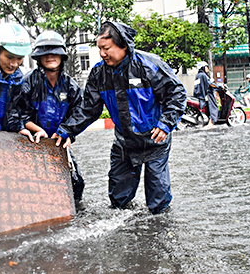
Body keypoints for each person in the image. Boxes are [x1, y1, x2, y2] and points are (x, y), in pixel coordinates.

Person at [53, 21, 187, 215]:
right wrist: (68, 130)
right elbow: (89, 108)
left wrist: (166, 123)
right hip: (124, 143)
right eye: (99, 48)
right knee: (118, 202)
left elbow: (177, 93)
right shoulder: (99, 73)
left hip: (155, 142)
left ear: (123, 45)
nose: (102, 54)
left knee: (158, 204)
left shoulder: (148, 65)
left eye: (106, 48)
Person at [7, 31, 85, 203]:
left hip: (59, 142)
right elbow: (16, 114)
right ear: (39, 57)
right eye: (45, 52)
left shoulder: (70, 85)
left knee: (76, 183)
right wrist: (36, 130)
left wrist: (68, 134)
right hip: (32, 143)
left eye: (54, 52)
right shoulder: (27, 83)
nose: (50, 56)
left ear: (62, 55)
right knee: (32, 189)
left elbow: (79, 113)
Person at [193, 61, 218, 128]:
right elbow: (210, 84)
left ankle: (205, 124)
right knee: (214, 107)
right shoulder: (203, 75)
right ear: (203, 67)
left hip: (199, 95)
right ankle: (211, 122)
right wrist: (218, 86)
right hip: (205, 95)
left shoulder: (198, 75)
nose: (207, 68)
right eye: (206, 67)